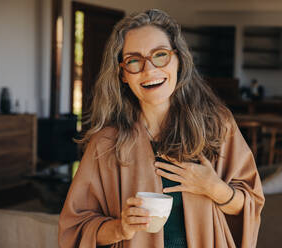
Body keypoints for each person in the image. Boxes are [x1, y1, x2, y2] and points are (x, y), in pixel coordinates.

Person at [58, 9, 264, 248]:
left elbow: (251, 204)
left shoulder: (217, 125)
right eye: (134, 60)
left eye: (160, 55)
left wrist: (215, 188)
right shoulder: (106, 143)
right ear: (123, 74)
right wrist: (120, 228)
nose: (149, 70)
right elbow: (75, 229)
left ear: (178, 60)